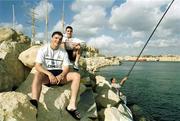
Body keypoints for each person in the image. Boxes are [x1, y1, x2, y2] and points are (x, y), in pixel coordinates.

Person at [30, 31, 81, 120]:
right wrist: (49, 74)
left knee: (76, 75)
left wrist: (61, 76)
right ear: (52, 38)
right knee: (37, 74)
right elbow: (37, 66)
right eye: (56, 38)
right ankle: (35, 104)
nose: (58, 40)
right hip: (47, 76)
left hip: (59, 76)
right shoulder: (43, 49)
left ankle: (71, 106)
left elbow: (66, 67)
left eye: (60, 39)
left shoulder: (63, 52)